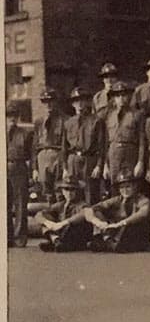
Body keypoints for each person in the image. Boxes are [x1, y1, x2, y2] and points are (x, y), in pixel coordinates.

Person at [84, 171, 150, 253]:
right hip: (119, 232)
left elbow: (142, 214)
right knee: (97, 212)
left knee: (127, 227)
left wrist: (121, 223)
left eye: (128, 187)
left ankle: (107, 243)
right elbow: (89, 209)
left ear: (135, 186)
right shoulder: (117, 199)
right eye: (122, 188)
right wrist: (98, 222)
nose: (125, 190)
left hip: (137, 233)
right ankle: (107, 240)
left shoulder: (142, 199)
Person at [63, 86, 106, 203]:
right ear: (72, 104)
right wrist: (65, 167)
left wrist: (99, 165)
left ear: (87, 102)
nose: (80, 104)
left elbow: (102, 145)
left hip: (89, 160)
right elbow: (64, 147)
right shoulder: (68, 123)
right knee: (74, 194)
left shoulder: (96, 121)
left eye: (82, 100)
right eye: (76, 101)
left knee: (90, 195)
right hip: (73, 161)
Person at [102, 81, 146, 183]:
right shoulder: (109, 116)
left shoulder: (137, 115)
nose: (121, 99)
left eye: (124, 95)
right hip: (114, 154)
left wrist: (140, 162)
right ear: (114, 98)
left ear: (129, 96)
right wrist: (105, 164)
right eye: (118, 96)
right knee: (115, 187)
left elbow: (142, 141)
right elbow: (105, 143)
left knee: (131, 184)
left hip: (130, 153)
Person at [36, 178, 92, 252]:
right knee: (44, 222)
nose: (69, 193)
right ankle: (56, 240)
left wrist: (63, 223)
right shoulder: (60, 205)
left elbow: (84, 213)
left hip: (75, 236)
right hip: (61, 233)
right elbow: (40, 214)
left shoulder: (82, 204)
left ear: (77, 191)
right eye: (66, 189)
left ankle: (59, 244)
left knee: (72, 225)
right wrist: (48, 223)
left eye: (72, 190)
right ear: (62, 191)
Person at [33, 88, 67, 201]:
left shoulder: (65, 120)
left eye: (51, 101)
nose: (48, 105)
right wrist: (34, 168)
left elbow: (65, 143)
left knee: (60, 188)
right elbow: (35, 145)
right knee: (46, 190)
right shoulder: (39, 122)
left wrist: (65, 164)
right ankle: (50, 214)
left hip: (58, 154)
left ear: (56, 102)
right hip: (42, 156)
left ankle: (60, 215)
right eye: (45, 102)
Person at [7, 102, 33, 247]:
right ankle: (7, 237)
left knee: (20, 203)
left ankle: (19, 237)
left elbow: (31, 154)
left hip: (19, 167)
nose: (12, 118)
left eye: (14, 115)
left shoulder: (25, 133)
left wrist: (30, 170)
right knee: (5, 203)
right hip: (4, 166)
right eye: (9, 115)